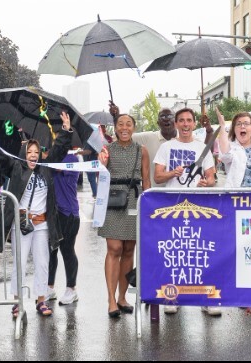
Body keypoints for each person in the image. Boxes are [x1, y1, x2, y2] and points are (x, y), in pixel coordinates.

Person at [0, 111, 74, 318]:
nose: (33, 155)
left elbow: (59, 149)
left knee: (42, 263)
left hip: (42, 225)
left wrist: (66, 129)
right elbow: (1, 159)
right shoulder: (16, 167)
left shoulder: (46, 168)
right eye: (29, 151)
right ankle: (18, 302)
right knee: (20, 263)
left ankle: (41, 300)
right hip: (21, 224)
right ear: (24, 154)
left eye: (36, 151)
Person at [153, 107, 217, 315]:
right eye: (181, 120)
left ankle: (207, 299)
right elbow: (157, 177)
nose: (186, 124)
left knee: (202, 254)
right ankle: (172, 296)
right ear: (176, 124)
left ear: (194, 124)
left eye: (189, 120)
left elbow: (211, 177)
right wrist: (172, 172)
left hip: (199, 207)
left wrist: (207, 182)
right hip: (173, 206)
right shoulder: (166, 147)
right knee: (174, 254)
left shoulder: (203, 148)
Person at [98, 114, 150, 318]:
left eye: (129, 124)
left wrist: (148, 207)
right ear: (115, 128)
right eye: (120, 124)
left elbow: (146, 180)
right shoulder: (107, 149)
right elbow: (99, 178)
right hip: (113, 200)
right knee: (114, 248)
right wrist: (101, 165)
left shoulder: (141, 150)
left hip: (134, 200)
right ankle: (111, 299)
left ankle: (122, 297)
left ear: (134, 128)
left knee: (129, 249)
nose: (124, 128)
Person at [45, 151, 82, 307]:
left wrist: (43, 157)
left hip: (69, 213)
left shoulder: (72, 158)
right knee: (51, 251)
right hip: (53, 213)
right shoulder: (51, 155)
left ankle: (71, 289)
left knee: (67, 251)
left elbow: (56, 167)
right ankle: (49, 288)